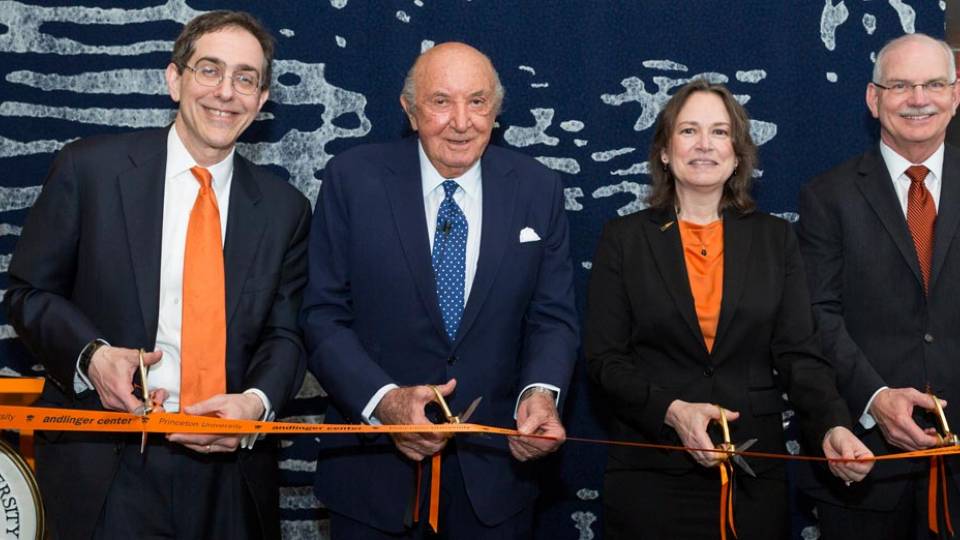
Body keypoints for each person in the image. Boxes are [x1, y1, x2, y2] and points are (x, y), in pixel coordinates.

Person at [3, 11, 310, 540]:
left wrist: (254, 404)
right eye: (209, 70)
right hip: (108, 462)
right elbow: (27, 294)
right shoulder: (88, 169)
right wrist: (92, 356)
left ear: (261, 102)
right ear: (175, 79)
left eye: (245, 78)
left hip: (231, 477)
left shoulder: (287, 209)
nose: (226, 92)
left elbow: (285, 333)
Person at [300, 41, 579, 538]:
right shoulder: (352, 179)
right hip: (372, 482)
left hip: (496, 480)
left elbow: (551, 318)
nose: (461, 121)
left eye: (477, 102)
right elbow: (322, 315)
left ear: (496, 113)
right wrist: (384, 403)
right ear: (410, 111)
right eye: (440, 101)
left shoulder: (539, 189)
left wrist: (539, 393)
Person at [584, 79, 873, 539]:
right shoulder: (623, 239)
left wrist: (831, 426)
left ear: (738, 155)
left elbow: (800, 356)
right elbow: (604, 360)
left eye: (720, 132)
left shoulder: (776, 239)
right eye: (688, 131)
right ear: (663, 150)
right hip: (650, 475)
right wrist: (673, 411)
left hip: (753, 477)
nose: (704, 145)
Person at [797, 33, 960, 539]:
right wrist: (876, 396)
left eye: (934, 83)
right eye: (900, 85)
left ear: (956, 95)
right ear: (873, 99)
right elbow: (818, 314)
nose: (918, 98)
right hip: (865, 464)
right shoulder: (826, 195)